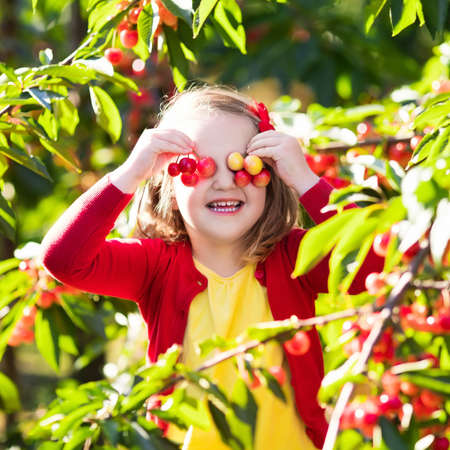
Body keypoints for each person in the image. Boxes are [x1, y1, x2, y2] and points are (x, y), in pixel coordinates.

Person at [40, 85, 383, 449]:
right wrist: (130, 173)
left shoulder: (295, 259)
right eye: (198, 167)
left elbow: (375, 263)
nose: (222, 181)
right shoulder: (155, 266)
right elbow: (63, 259)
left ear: (273, 177)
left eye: (243, 166)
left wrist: (308, 181)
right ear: (167, 183)